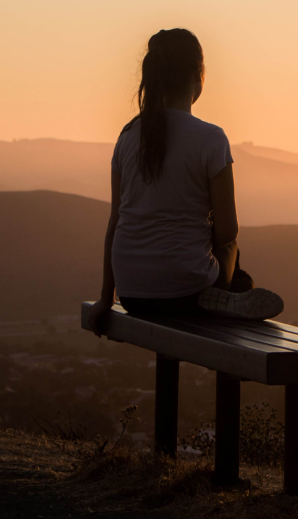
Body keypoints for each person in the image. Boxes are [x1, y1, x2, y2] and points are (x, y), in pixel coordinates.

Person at [88, 28, 283, 336]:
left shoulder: (126, 137)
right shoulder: (211, 138)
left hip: (133, 295)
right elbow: (227, 231)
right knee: (233, 253)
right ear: (198, 75)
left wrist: (105, 297)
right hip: (187, 292)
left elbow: (115, 223)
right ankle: (231, 293)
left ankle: (227, 292)